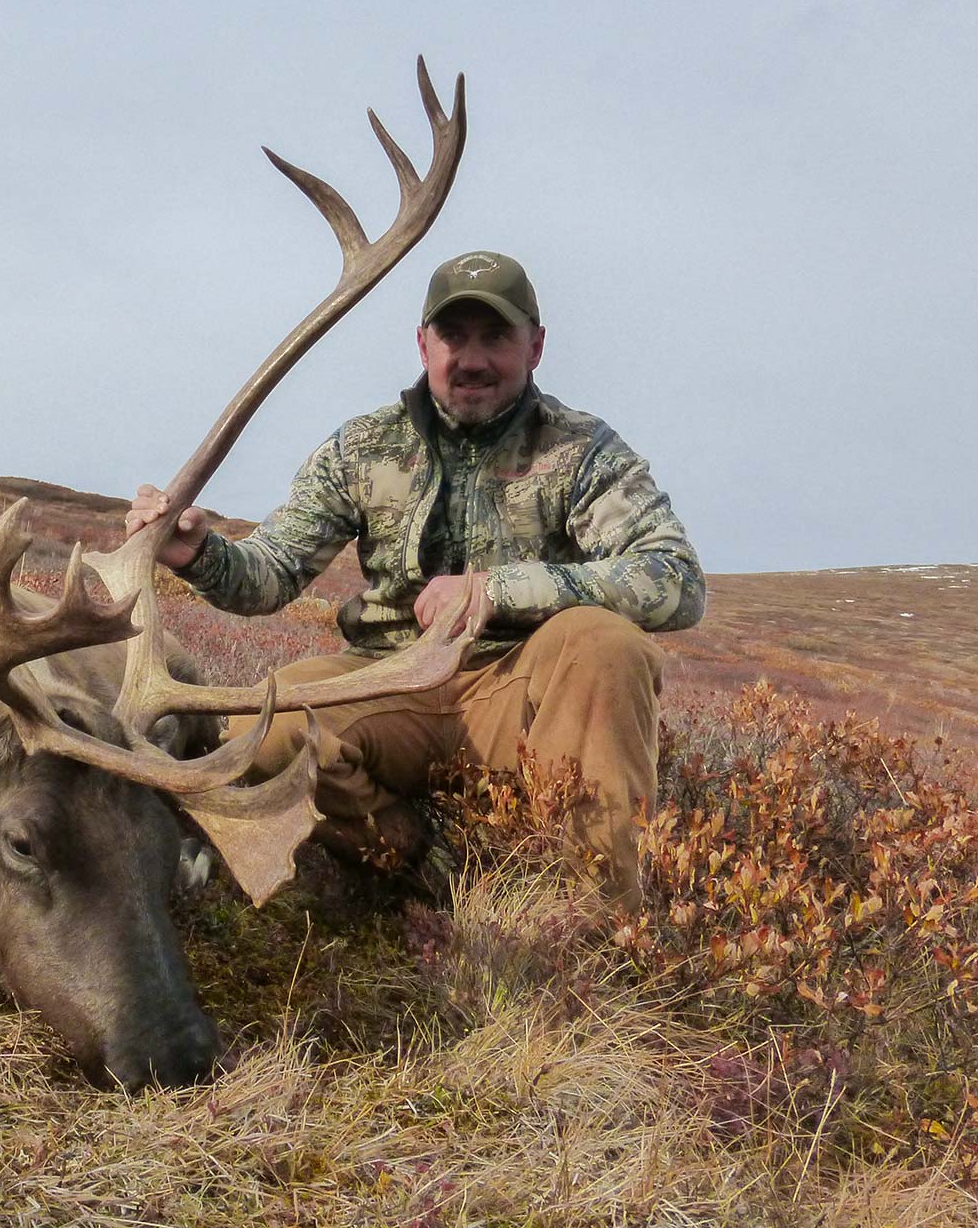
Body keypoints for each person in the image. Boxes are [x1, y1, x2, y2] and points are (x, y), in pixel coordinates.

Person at [125, 251, 705, 914]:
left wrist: (501, 588)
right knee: (263, 728)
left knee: (606, 646)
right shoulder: (364, 446)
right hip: (388, 680)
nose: (473, 359)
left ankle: (592, 925)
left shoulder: (583, 450)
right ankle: (407, 852)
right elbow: (272, 573)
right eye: (454, 337)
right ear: (423, 343)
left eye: (497, 337)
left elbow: (675, 578)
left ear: (536, 347)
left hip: (519, 687)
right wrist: (199, 554)